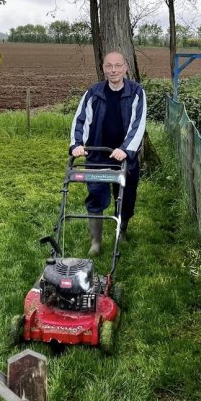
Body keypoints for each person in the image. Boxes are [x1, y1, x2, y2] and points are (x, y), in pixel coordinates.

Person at [69, 51, 147, 256]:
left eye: (118, 66)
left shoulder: (136, 92)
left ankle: (121, 231)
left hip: (124, 157)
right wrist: (77, 144)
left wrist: (126, 149)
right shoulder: (94, 92)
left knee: (127, 197)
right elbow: (81, 120)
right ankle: (96, 241)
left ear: (125, 68)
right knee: (96, 195)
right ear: (103, 68)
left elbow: (138, 124)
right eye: (109, 66)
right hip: (97, 155)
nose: (113, 70)